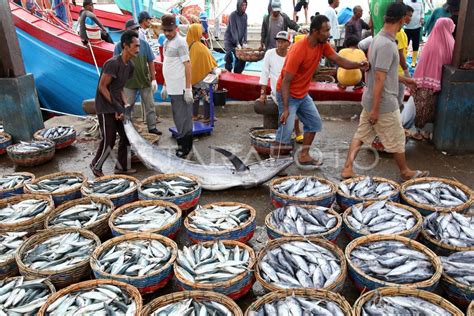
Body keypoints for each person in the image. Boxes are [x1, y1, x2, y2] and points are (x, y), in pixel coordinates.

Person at [341, 2, 429, 180]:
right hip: (383, 103)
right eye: (407, 16)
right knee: (397, 137)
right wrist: (375, 109)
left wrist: (405, 79)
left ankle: (347, 168)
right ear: (402, 18)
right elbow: (380, 78)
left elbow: (381, 73)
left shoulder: (378, 39)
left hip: (371, 98)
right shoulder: (387, 45)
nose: (409, 20)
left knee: (361, 134)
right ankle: (405, 171)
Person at [273, 15, 369, 167]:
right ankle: (275, 163)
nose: (329, 33)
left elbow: (339, 60)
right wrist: (285, 109)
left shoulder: (322, 44)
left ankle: (304, 155)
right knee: (286, 130)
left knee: (314, 122)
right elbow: (286, 82)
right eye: (326, 30)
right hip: (288, 94)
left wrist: (359, 65)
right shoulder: (298, 50)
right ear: (315, 31)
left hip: (302, 94)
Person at [90, 30, 139, 177]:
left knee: (126, 136)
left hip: (117, 104)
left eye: (139, 46)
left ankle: (121, 167)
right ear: (125, 46)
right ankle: (96, 165)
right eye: (135, 46)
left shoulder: (130, 66)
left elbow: (120, 88)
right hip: (105, 106)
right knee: (109, 139)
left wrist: (125, 105)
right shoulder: (112, 64)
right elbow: (102, 87)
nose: (138, 49)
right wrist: (116, 107)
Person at [114, 20, 161, 136]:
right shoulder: (119, 46)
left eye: (137, 29)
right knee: (128, 107)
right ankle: (129, 129)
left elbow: (150, 61)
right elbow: (116, 63)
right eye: (133, 29)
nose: (135, 31)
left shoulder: (144, 44)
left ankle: (152, 127)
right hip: (128, 83)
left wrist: (154, 79)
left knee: (150, 105)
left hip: (144, 80)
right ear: (126, 30)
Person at [160, 14, 194, 159]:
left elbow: (187, 66)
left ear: (176, 28)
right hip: (172, 87)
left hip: (180, 87)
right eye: (165, 30)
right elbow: (167, 64)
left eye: (170, 30)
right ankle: (181, 142)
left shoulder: (180, 43)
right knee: (176, 116)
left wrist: (188, 89)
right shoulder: (166, 43)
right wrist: (165, 85)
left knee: (183, 117)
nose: (167, 33)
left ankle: (186, 146)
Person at [413, 18, 455, 129]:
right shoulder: (451, 42)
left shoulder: (431, 42)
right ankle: (426, 131)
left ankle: (419, 131)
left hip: (424, 82)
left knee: (422, 108)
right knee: (432, 109)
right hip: (442, 82)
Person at [186, 23, 220, 123]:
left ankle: (194, 115)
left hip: (193, 79)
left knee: (195, 98)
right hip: (204, 79)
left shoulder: (189, 45)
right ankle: (207, 117)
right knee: (207, 98)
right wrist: (216, 74)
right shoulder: (201, 48)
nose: (202, 33)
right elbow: (210, 64)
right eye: (200, 31)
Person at [224, 0, 248, 74]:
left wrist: (245, 41)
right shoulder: (233, 15)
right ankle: (228, 71)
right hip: (229, 40)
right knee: (229, 56)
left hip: (238, 41)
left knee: (241, 57)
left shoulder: (245, 16)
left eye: (245, 5)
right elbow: (233, 30)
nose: (244, 7)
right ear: (238, 5)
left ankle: (237, 73)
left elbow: (245, 29)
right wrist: (237, 43)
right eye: (242, 5)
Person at [396, 5, 413, 105]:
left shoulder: (400, 32)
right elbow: (400, 55)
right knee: (398, 101)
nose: (410, 18)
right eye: (409, 16)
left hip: (396, 71)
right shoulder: (400, 33)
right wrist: (407, 74)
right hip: (399, 72)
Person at [403, 0, 424, 67]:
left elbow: (422, 12)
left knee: (416, 44)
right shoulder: (406, 1)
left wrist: (422, 18)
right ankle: (404, 60)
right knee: (405, 44)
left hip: (417, 27)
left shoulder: (420, 2)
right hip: (407, 27)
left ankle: (414, 61)